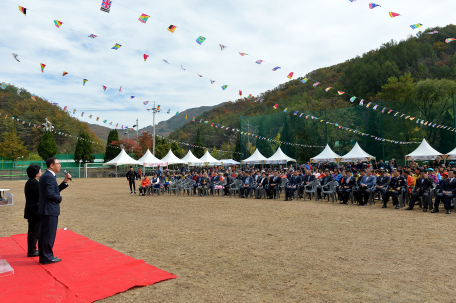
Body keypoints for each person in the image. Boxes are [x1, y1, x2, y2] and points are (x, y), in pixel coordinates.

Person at [38, 157, 70, 264]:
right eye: (58, 163)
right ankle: (47, 257)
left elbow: (54, 190)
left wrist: (65, 182)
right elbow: (50, 193)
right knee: (48, 234)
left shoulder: (47, 176)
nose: (60, 165)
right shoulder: (49, 177)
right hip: (49, 209)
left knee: (44, 234)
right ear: (51, 165)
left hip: (46, 209)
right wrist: (59, 199)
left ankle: (44, 256)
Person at [24, 164, 42, 257]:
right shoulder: (33, 183)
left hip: (33, 210)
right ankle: (32, 251)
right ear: (36, 173)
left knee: (34, 231)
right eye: (39, 170)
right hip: (34, 211)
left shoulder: (31, 182)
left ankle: (33, 250)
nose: (40, 172)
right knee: (34, 232)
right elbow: (43, 194)